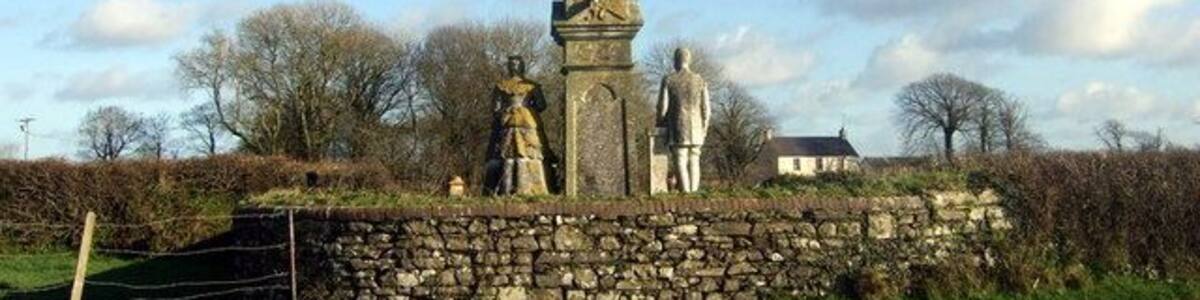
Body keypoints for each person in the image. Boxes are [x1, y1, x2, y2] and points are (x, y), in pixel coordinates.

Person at [483, 55, 551, 196]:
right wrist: (527, 108)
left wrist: (507, 111)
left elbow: (495, 109)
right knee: (519, 152)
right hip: (524, 120)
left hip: (512, 121)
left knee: (512, 153)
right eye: (512, 64)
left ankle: (509, 188)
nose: (514, 66)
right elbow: (541, 105)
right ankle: (527, 188)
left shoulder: (504, 85)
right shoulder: (531, 86)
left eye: (514, 64)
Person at [657, 48, 711, 193]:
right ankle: (694, 192)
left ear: (675, 60)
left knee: (680, 158)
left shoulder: (669, 79)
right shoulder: (700, 80)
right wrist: (704, 126)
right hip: (697, 126)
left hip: (678, 124)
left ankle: (686, 193)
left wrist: (660, 123)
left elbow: (663, 106)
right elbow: (706, 108)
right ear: (689, 60)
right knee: (694, 159)